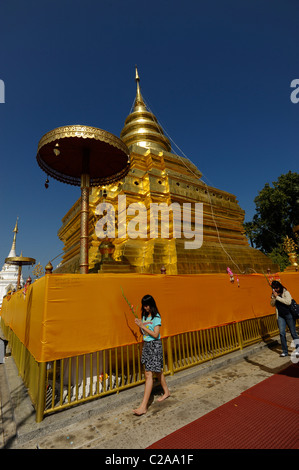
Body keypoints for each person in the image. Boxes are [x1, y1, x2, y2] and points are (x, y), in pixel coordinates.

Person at [133, 294, 170, 415]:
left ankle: (143, 406)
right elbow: (144, 332)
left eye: (147, 305)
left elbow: (155, 334)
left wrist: (143, 326)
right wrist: (140, 326)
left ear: (151, 304)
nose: (145, 307)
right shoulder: (144, 316)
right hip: (147, 345)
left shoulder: (156, 317)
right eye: (144, 305)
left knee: (149, 374)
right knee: (157, 371)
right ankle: (166, 392)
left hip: (154, 345)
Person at [270, 280, 299, 357]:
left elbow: (288, 302)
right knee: (282, 333)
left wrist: (277, 297)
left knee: (293, 333)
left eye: (276, 288)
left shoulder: (286, 293)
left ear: (280, 286)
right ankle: (285, 351)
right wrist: (273, 297)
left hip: (289, 314)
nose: (275, 289)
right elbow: (272, 304)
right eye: (274, 288)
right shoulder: (274, 294)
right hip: (280, 316)